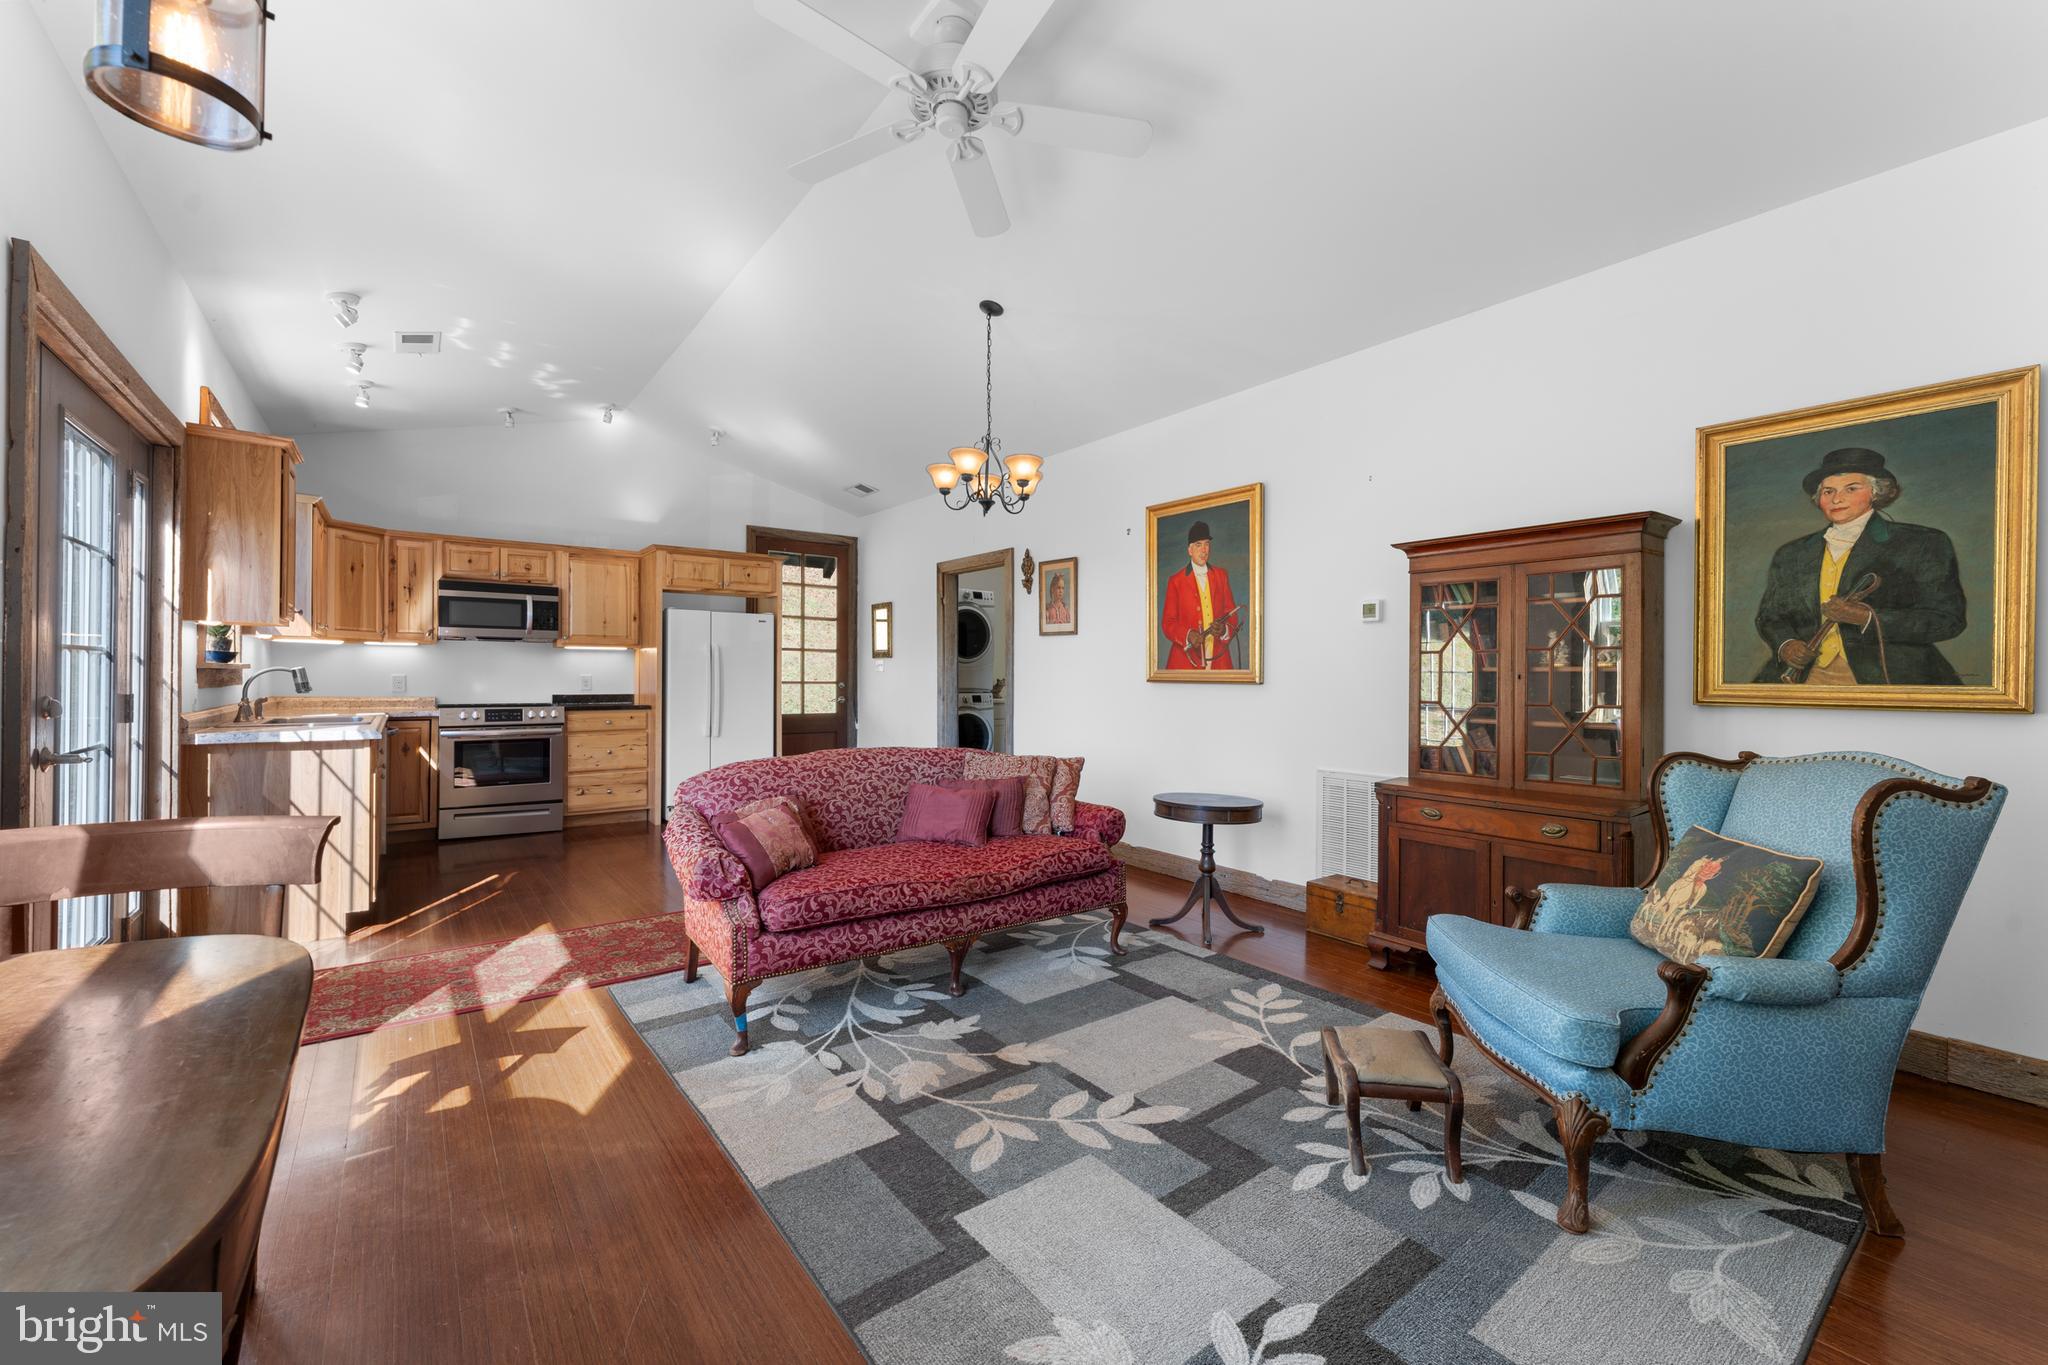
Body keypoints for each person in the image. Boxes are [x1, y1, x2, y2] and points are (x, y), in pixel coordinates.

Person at [1752, 448, 1966, 686]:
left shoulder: (1923, 543)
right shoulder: (1792, 553)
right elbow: (1771, 617)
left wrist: (1866, 618)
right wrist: (1786, 645)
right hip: (1803, 677)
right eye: (1828, 491)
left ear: (1876, 493)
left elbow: (1948, 621)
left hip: (1891, 677)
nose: (1836, 499)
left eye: (1851, 489)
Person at [1161, 519, 1240, 670]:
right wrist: (1188, 635)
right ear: (1189, 550)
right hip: (1185, 661)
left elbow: (1232, 614)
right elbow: (1168, 623)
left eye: (1207, 544)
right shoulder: (1175, 581)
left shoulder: (1221, 576)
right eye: (1198, 545)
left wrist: (1224, 630)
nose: (1204, 550)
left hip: (1219, 659)